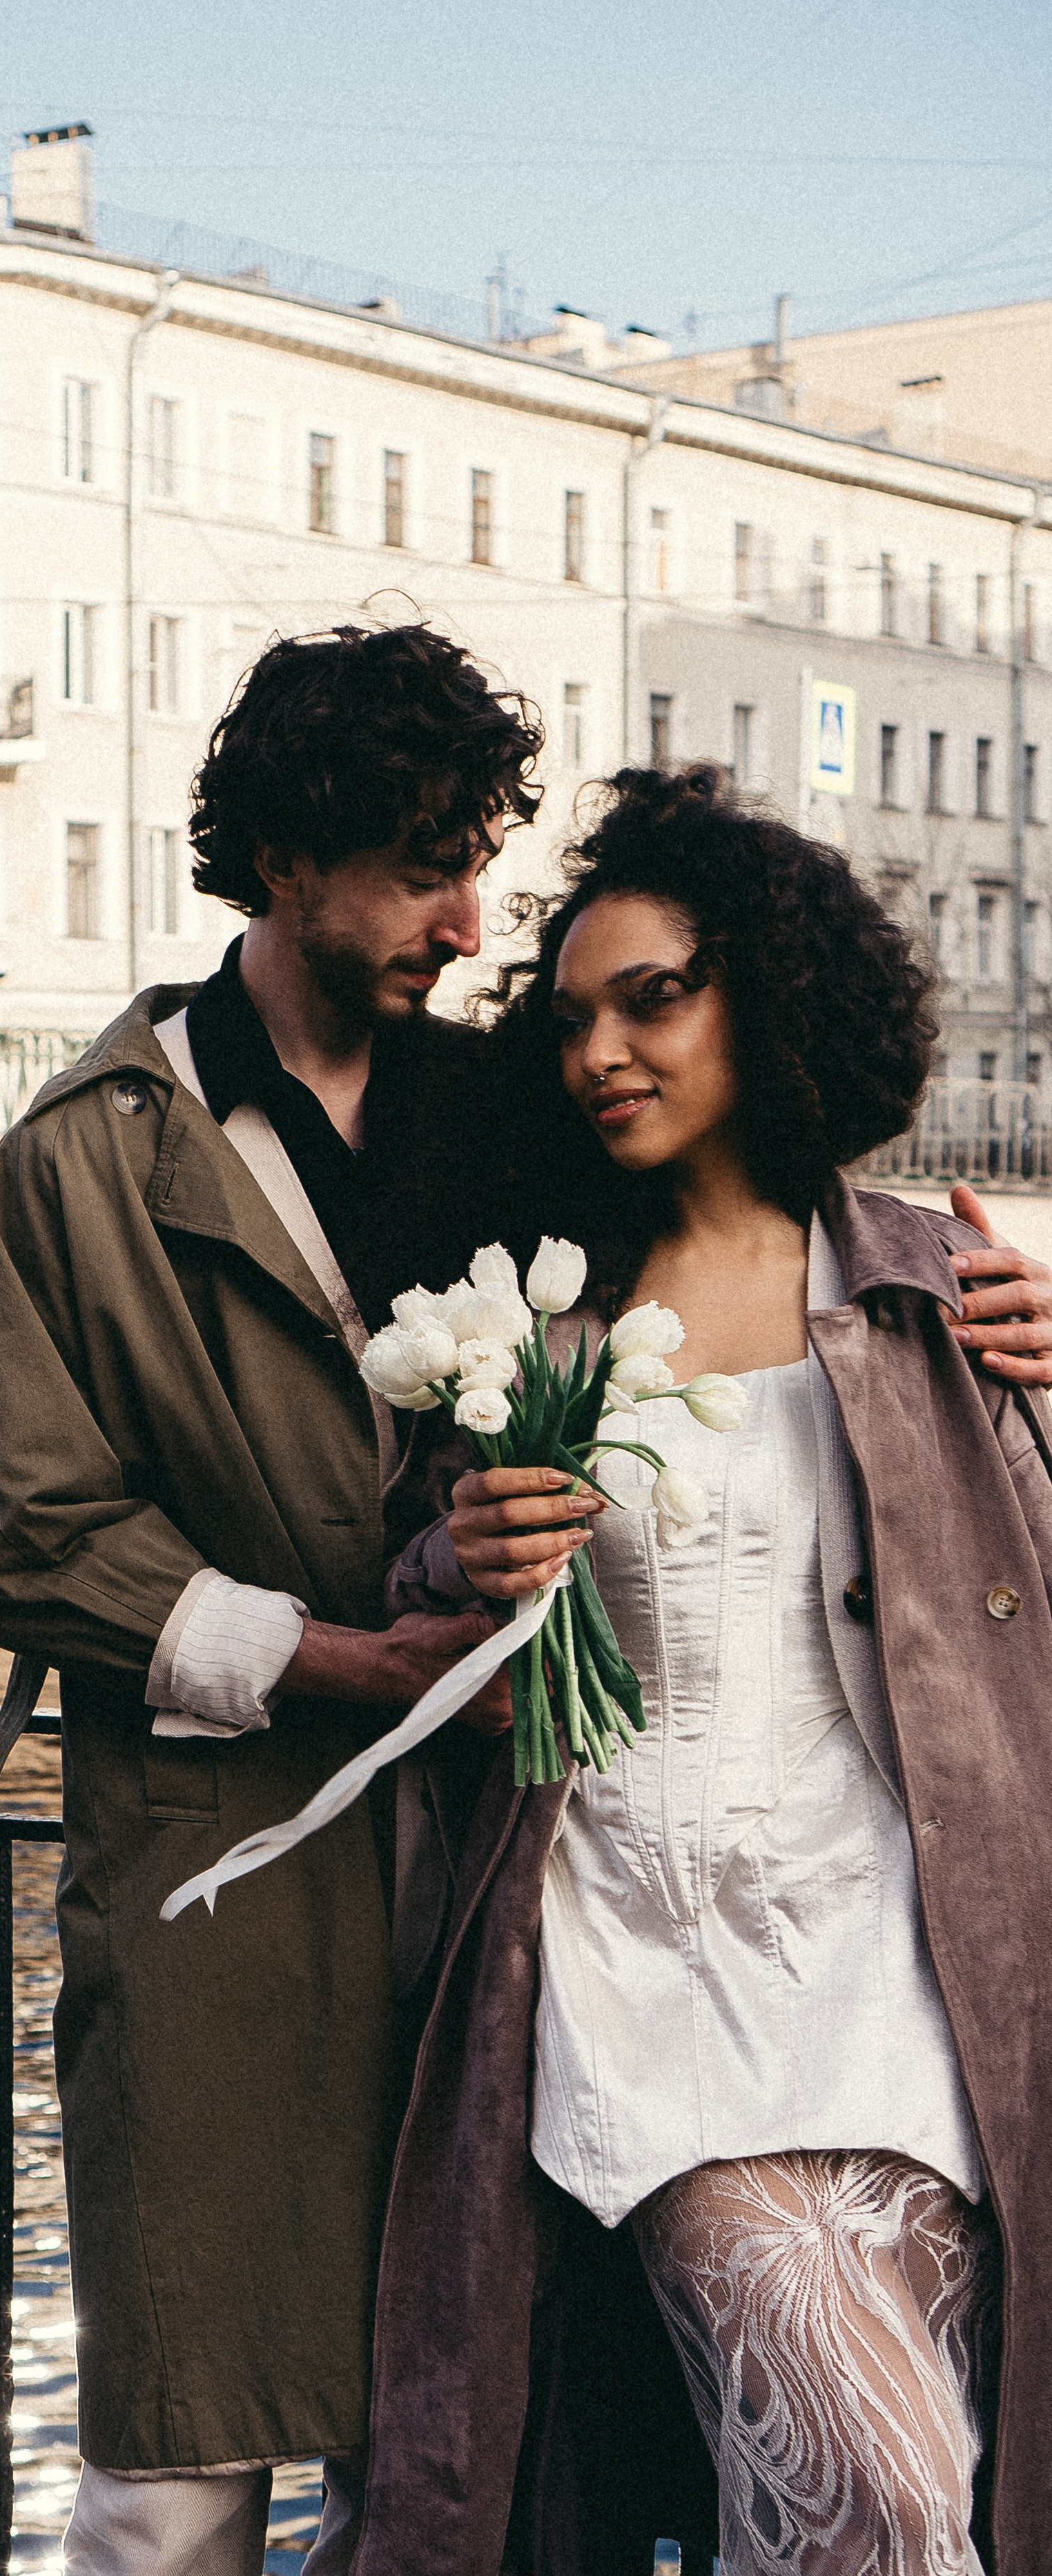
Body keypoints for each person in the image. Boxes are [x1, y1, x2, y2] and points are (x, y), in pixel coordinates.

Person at [361, 763, 1052, 2575]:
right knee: (878, 2499)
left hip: (901, 1981)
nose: (601, 1051)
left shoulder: (933, 1290)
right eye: (571, 1019)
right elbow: (418, 1588)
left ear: (773, 998)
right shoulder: (541, 1323)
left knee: (880, 2497)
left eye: (652, 998)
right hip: (638, 1969)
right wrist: (464, 1555)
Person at [0, 623, 542, 2573]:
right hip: (217, 1877)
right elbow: (40, 1538)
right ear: (285, 860)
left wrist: (969, 1302)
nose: (467, 922)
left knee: (443, 2440)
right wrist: (353, 1663)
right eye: (424, 869)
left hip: (493, 1868)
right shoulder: (84, 1159)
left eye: (479, 864)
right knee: (180, 2461)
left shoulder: (506, 1110)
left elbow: (738, 1249)